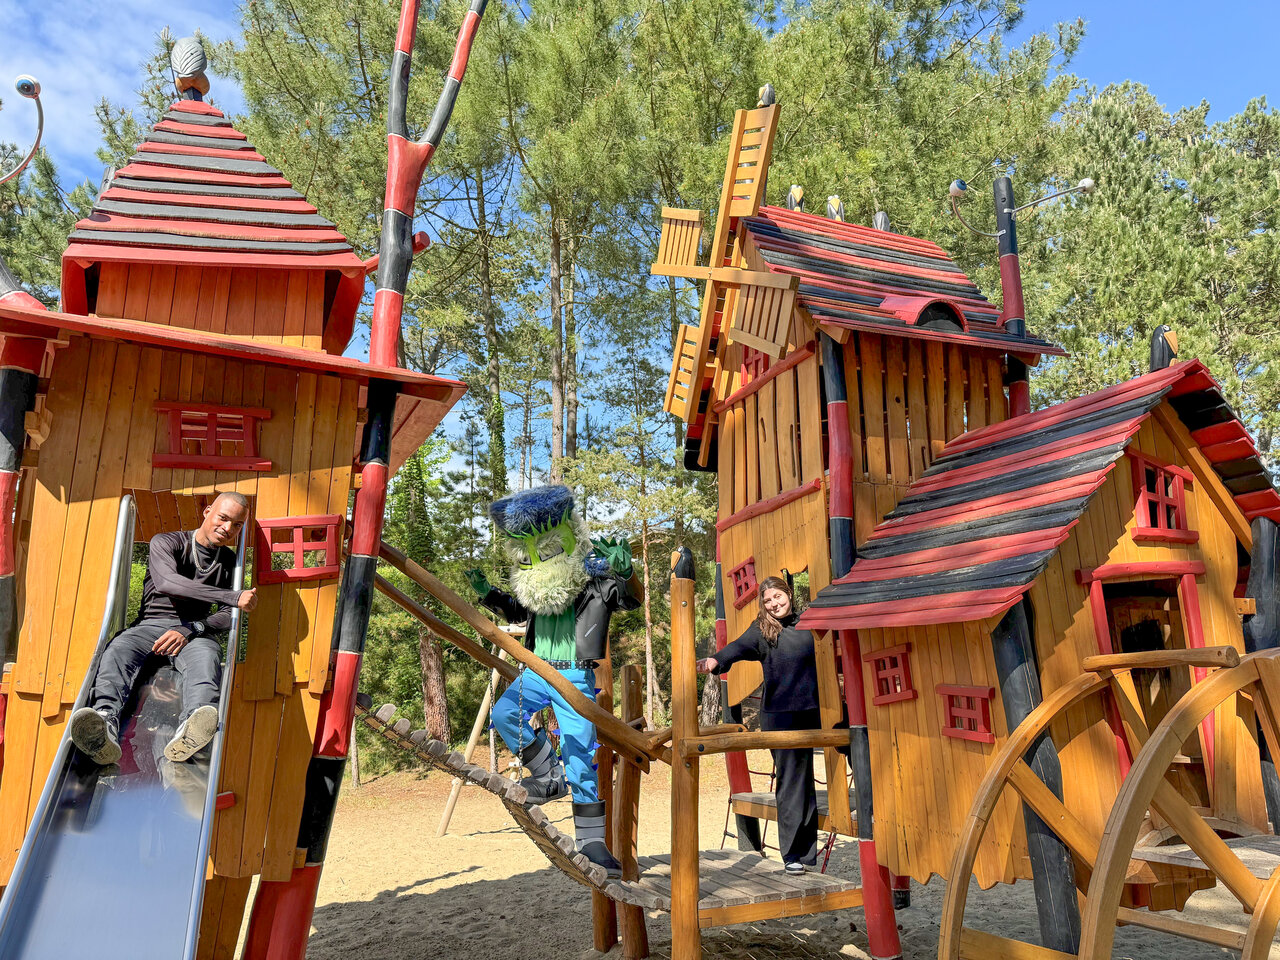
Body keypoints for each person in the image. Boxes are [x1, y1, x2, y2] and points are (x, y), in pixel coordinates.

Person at [465, 483, 640, 878]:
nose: (541, 554)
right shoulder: (537, 588)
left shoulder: (595, 579)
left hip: (575, 674)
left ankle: (592, 842)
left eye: (548, 544)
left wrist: (626, 572)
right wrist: (487, 593)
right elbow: (518, 609)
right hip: (537, 670)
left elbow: (629, 600)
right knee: (506, 713)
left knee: (580, 751)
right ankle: (548, 773)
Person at [69, 491, 258, 766]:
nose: (228, 528)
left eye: (237, 524)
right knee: (119, 648)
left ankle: (192, 728)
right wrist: (231, 596)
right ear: (207, 512)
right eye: (223, 518)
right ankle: (104, 722)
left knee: (207, 657)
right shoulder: (168, 542)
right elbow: (169, 583)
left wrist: (193, 628)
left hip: (193, 633)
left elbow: (230, 615)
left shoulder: (229, 562)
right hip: (150, 625)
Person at [697, 576, 819, 874]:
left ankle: (807, 854)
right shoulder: (763, 631)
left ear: (789, 594)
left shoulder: (809, 621)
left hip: (813, 712)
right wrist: (715, 660)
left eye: (778, 596)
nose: (774, 603)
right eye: (767, 601)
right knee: (791, 783)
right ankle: (792, 855)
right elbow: (737, 647)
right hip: (780, 716)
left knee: (807, 781)